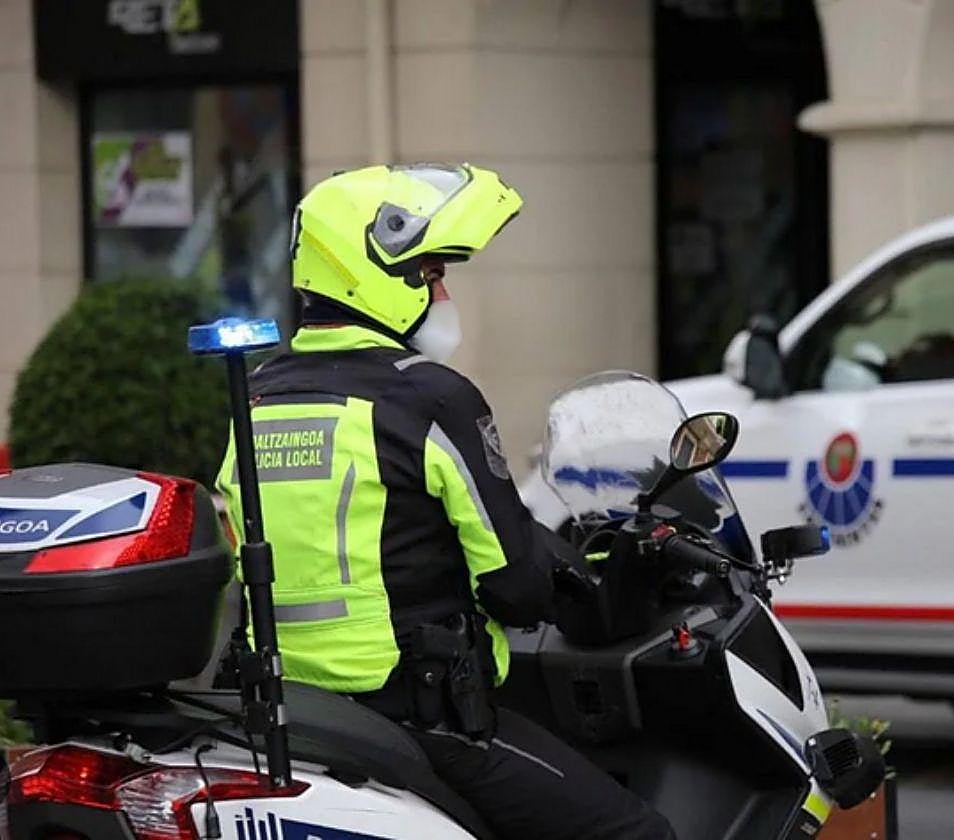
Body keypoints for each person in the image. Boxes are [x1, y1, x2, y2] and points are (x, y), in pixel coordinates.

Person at [215, 164, 674, 840]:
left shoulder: (256, 395)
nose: (444, 292)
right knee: (638, 833)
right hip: (417, 720)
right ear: (374, 275)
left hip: (287, 713)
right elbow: (516, 589)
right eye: (430, 274)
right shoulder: (432, 399)